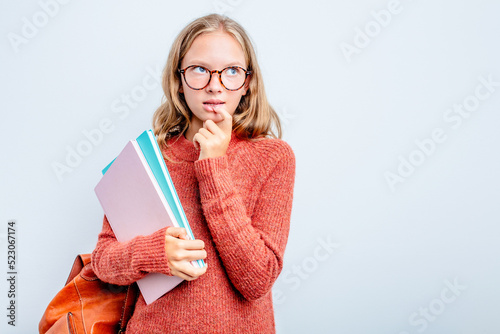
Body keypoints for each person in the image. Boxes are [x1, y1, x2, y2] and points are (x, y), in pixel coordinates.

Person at [91, 13, 295, 333]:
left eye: (231, 71)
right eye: (199, 70)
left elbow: (257, 280)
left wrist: (213, 165)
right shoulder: (145, 159)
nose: (215, 86)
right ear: (178, 81)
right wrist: (155, 253)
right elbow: (103, 262)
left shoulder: (272, 158)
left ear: (247, 83)